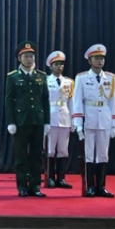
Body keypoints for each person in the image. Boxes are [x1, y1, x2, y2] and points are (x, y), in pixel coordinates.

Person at [5, 41, 50, 197]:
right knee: (21, 156)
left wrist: (47, 121)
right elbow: (9, 101)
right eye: (26, 56)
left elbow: (45, 100)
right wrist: (11, 121)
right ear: (20, 58)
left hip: (37, 120)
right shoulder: (13, 77)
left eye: (31, 56)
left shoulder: (41, 76)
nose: (29, 59)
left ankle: (35, 186)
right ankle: (22, 186)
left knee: (37, 156)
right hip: (21, 121)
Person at [72, 44, 115, 198]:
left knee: (103, 154)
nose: (100, 61)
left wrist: (114, 124)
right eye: (96, 58)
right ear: (90, 60)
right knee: (89, 154)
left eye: (102, 58)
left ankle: (101, 187)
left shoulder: (110, 78)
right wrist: (78, 124)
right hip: (89, 118)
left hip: (104, 118)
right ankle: (90, 186)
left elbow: (113, 101)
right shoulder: (82, 78)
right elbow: (77, 102)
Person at [44, 51, 74, 189]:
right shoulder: (45, 81)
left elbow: (72, 102)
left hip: (65, 117)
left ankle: (61, 178)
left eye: (61, 64)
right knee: (50, 150)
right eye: (56, 64)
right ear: (51, 66)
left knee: (63, 150)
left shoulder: (69, 82)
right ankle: (50, 177)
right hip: (51, 117)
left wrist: (73, 120)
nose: (59, 67)